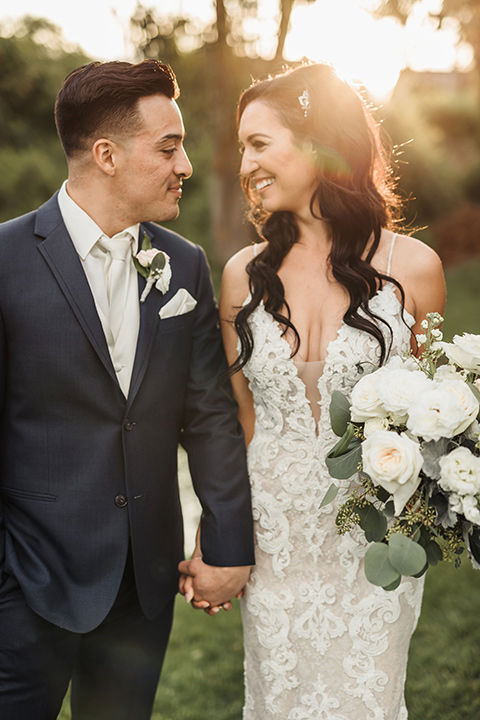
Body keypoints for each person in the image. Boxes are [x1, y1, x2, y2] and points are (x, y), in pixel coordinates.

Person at [0, 59, 254, 720]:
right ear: (106, 154)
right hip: (23, 583)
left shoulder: (186, 265)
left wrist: (226, 544)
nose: (186, 165)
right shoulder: (3, 262)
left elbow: (209, 417)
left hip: (142, 586)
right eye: (168, 148)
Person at [220, 62, 446, 719]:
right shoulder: (240, 276)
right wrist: (223, 536)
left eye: (259, 144)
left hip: (372, 542)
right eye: (241, 149)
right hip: (275, 543)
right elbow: (243, 425)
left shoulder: (415, 268)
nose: (245, 164)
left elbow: (432, 416)